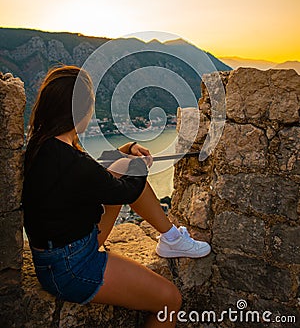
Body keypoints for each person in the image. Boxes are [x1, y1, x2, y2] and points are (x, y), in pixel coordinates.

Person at [22, 65, 211, 328]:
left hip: (57, 256)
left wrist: (127, 151)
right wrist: (139, 165)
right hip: (72, 266)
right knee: (170, 301)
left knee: (123, 167)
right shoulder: (70, 160)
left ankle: (170, 238)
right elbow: (126, 190)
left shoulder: (42, 146)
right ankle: (171, 238)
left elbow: (93, 173)